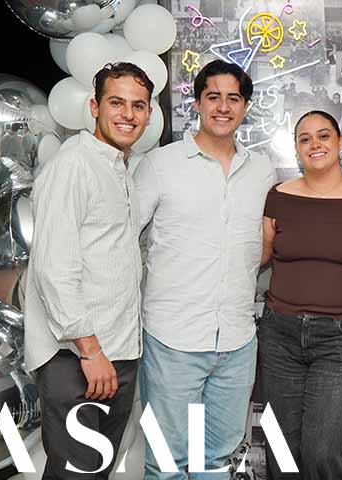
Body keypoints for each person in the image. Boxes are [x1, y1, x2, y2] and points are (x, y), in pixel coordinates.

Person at [133, 59, 276, 479]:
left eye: (233, 98)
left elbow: (261, 244)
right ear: (196, 103)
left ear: (245, 107)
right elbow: (123, 239)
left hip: (236, 339)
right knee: (167, 462)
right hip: (172, 339)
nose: (223, 106)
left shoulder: (262, 171)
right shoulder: (161, 164)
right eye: (213, 97)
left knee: (219, 460)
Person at [24, 62, 154, 479]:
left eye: (138, 105)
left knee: (95, 472)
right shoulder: (73, 166)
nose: (127, 114)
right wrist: (91, 351)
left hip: (116, 352)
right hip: (77, 357)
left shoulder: (119, 170)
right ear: (95, 107)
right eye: (116, 103)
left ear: (149, 114)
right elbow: (54, 269)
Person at [259, 110, 342, 479]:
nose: (314, 144)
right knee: (281, 446)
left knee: (323, 449)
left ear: (340, 142)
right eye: (305, 138)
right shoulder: (278, 197)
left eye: (323, 136)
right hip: (280, 334)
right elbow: (260, 257)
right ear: (297, 149)